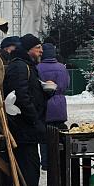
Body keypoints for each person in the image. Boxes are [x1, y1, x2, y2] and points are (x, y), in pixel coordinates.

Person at [2, 34, 49, 186]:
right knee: (28, 170)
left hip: (27, 130)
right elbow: (21, 96)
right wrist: (34, 119)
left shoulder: (27, 66)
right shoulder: (20, 67)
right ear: (28, 49)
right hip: (22, 130)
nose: (41, 51)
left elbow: (29, 93)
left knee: (31, 169)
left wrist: (46, 94)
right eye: (38, 47)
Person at [36, 41, 70, 170]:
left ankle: (46, 162)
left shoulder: (38, 68)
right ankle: (60, 159)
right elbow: (66, 84)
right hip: (60, 105)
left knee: (45, 137)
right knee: (59, 134)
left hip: (45, 105)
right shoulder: (62, 67)